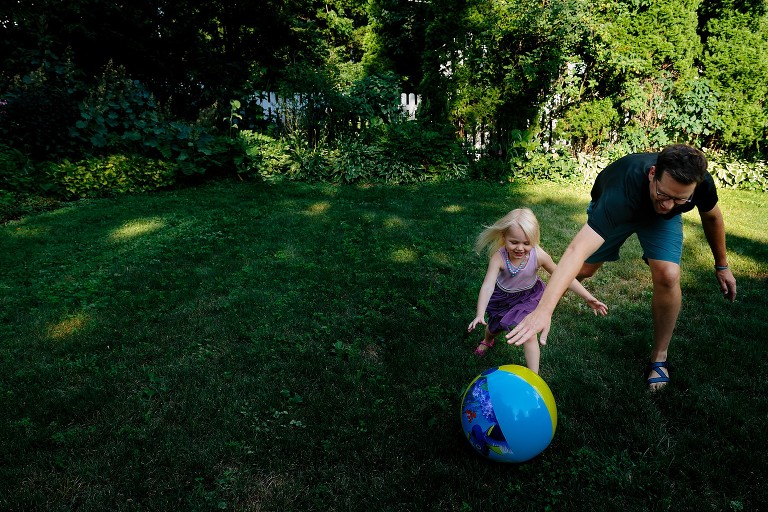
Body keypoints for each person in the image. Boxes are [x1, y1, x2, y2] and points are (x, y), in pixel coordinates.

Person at [505, 144, 737, 390]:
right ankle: (537, 308)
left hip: (658, 223)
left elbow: (711, 216)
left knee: (669, 275)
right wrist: (544, 309)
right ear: (652, 175)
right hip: (618, 213)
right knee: (583, 269)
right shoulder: (621, 190)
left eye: (680, 199)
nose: (669, 205)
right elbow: (576, 250)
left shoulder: (698, 185)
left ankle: (659, 357)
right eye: (664, 195)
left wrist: (722, 265)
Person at [468, 208, 608, 373]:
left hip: (528, 298)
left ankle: (534, 377)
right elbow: (488, 285)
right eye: (514, 242)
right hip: (502, 300)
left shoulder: (539, 255)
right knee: (493, 328)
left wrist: (587, 296)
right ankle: (487, 340)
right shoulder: (498, 258)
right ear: (503, 237)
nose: (520, 248)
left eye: (527, 243)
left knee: (529, 334)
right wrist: (480, 313)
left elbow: (563, 275)